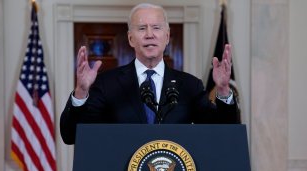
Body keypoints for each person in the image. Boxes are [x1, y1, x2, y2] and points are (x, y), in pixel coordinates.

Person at [60, 3, 240, 145]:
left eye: (156, 27)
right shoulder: (107, 83)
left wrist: (223, 90)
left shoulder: (189, 86)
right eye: (141, 28)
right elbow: (71, 135)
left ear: (167, 37)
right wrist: (81, 92)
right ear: (131, 38)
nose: (149, 35)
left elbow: (224, 132)